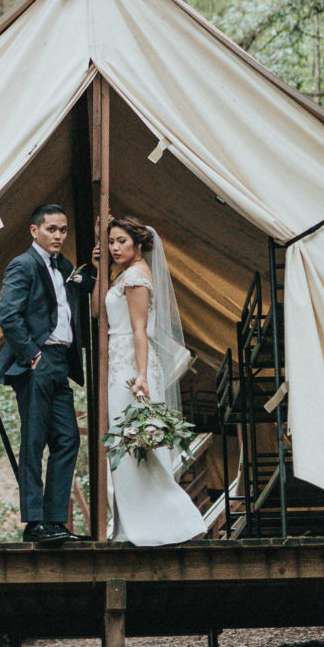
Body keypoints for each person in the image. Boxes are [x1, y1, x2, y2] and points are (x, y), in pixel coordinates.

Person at [92, 216, 205, 545]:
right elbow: (98, 313)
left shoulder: (137, 276)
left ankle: (171, 521)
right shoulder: (122, 275)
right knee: (124, 445)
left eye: (121, 241)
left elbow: (141, 330)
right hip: (120, 364)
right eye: (111, 241)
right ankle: (131, 524)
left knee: (137, 444)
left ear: (138, 244)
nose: (115, 247)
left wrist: (141, 376)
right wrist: (99, 268)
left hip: (132, 367)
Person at [0, 204, 93, 546]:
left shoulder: (65, 267)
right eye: (51, 229)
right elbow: (8, 316)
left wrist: (92, 266)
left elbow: (79, 291)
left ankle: (54, 521)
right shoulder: (22, 264)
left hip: (61, 362)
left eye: (62, 230)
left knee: (68, 439)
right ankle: (34, 523)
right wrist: (32, 354)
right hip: (35, 362)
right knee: (34, 442)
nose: (58, 235)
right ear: (35, 231)